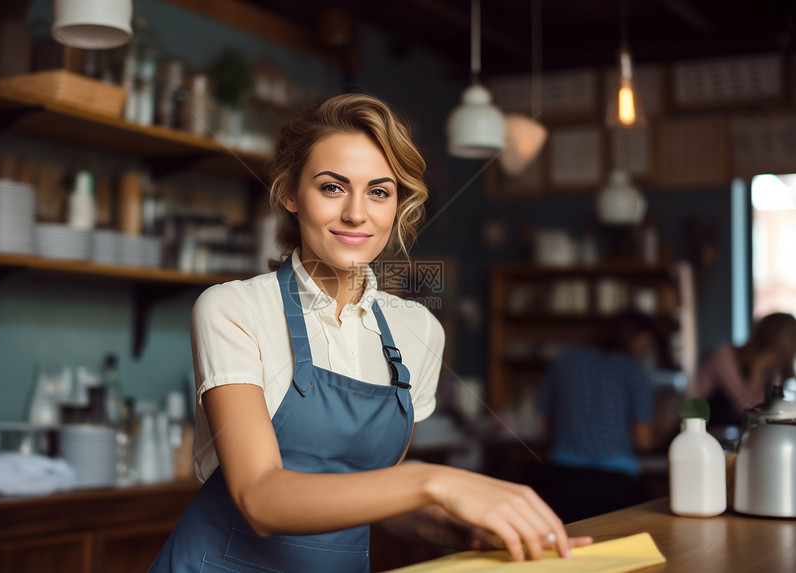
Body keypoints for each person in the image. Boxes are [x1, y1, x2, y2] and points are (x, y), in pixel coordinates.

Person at [149, 93, 590, 572]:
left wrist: (468, 529)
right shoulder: (234, 309)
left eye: (379, 191)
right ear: (291, 195)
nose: (357, 214)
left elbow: (376, 496)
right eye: (332, 188)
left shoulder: (417, 330)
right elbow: (260, 498)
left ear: (397, 205)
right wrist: (438, 482)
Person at [534, 311, 661, 522]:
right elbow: (644, 440)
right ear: (632, 338)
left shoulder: (565, 360)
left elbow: (542, 425)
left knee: (570, 541)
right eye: (644, 344)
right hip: (617, 482)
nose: (644, 352)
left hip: (565, 477)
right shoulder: (633, 370)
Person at [692, 312, 796, 426]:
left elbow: (773, 411)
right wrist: (758, 371)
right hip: (696, 433)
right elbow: (747, 409)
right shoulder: (723, 357)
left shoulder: (773, 371)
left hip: (728, 435)